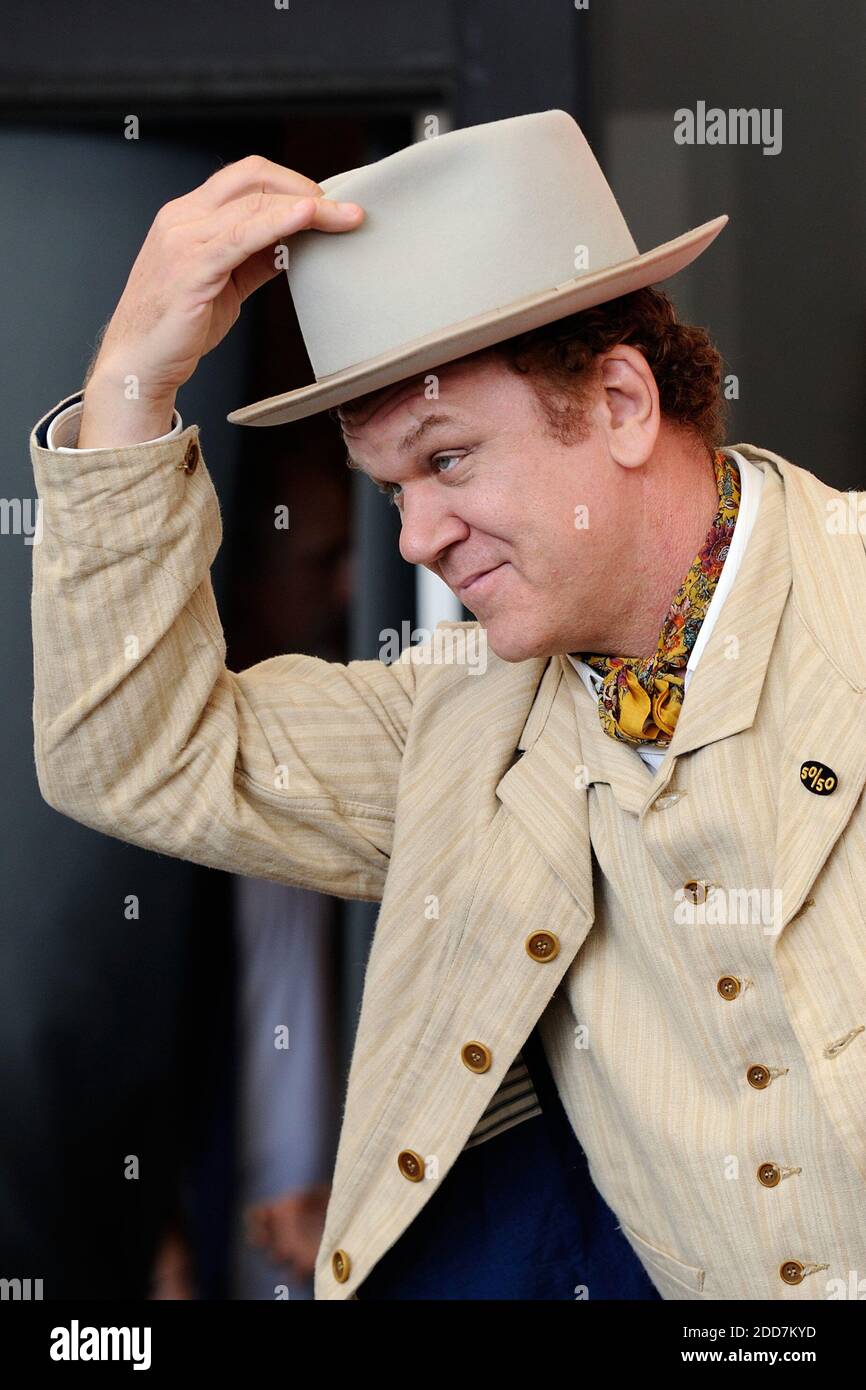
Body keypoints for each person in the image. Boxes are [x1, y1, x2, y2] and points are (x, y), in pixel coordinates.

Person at [29, 111, 866, 1301]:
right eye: (390, 487)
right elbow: (133, 754)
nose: (415, 538)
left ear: (622, 402)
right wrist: (130, 379)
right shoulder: (454, 725)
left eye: (449, 459)